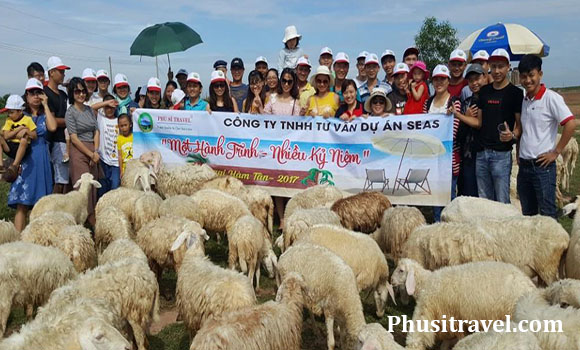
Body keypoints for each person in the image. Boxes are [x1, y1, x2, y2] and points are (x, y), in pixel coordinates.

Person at [516, 54, 577, 218]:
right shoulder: (524, 100)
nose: (527, 80)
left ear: (540, 74)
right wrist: (518, 153)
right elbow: (524, 131)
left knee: (547, 214)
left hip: (542, 167)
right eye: (523, 76)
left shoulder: (551, 98)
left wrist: (556, 152)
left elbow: (571, 123)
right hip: (525, 166)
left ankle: (555, 244)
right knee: (528, 215)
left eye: (531, 75)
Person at [473, 48, 523, 203]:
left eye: (500, 66)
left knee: (502, 201)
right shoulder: (484, 92)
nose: (496, 71)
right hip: (481, 154)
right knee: (484, 201)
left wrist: (512, 135)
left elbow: (519, 126)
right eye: (493, 66)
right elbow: (479, 122)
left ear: (508, 67)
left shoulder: (515, 93)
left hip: (501, 155)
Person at [8, 78, 57, 231]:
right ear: (26, 95)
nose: (35, 96)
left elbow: (53, 127)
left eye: (38, 92)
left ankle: (38, 239)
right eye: (32, 93)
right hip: (26, 159)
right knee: (22, 203)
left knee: (42, 204)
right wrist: (14, 163)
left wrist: (46, 105)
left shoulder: (44, 114)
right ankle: (17, 241)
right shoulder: (20, 116)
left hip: (42, 158)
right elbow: (9, 139)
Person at [65, 77, 105, 227]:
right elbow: (74, 138)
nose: (81, 94)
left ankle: (91, 224)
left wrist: (95, 151)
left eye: (83, 91)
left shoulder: (89, 110)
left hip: (93, 151)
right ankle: (84, 224)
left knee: (93, 189)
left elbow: (96, 131)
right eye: (77, 91)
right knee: (82, 190)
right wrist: (90, 154)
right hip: (79, 152)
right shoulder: (70, 113)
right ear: (72, 93)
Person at [424, 65, 462, 222]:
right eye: (436, 79)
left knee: (449, 200)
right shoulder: (428, 103)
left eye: (442, 79)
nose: (439, 82)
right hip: (432, 160)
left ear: (448, 81)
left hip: (448, 160)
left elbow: (453, 132)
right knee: (435, 201)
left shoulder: (454, 102)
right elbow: (422, 128)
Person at [453, 63, 488, 197]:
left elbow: (481, 125)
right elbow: (459, 135)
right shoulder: (466, 102)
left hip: (487, 154)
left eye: (477, 79)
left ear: (484, 77)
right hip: (469, 155)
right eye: (471, 80)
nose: (474, 83)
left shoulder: (491, 99)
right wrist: (465, 118)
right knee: (469, 193)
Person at [44, 56, 70, 194]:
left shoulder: (62, 94)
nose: (63, 74)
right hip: (53, 141)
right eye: (60, 71)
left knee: (64, 180)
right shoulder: (45, 93)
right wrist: (69, 121)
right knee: (57, 180)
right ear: (51, 72)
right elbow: (52, 121)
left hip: (64, 141)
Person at [0, 94, 37, 182]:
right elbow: (6, 135)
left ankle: (15, 165)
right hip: (11, 146)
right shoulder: (9, 120)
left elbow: (34, 135)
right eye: (8, 112)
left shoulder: (27, 119)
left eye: (12, 112)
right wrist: (19, 129)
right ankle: (1, 164)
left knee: (24, 140)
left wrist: (27, 131)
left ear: (20, 111)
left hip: (22, 147)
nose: (9, 115)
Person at [97, 94, 120, 198]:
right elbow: (91, 108)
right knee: (102, 190)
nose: (109, 110)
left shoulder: (119, 120)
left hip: (116, 163)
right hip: (103, 161)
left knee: (114, 190)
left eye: (112, 107)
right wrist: (106, 102)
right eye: (107, 107)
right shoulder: (100, 118)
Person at [117, 113, 133, 177]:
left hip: (135, 167)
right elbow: (120, 156)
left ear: (130, 124)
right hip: (125, 168)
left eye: (125, 125)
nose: (124, 128)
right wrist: (121, 171)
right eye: (121, 126)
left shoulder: (134, 136)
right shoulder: (119, 139)